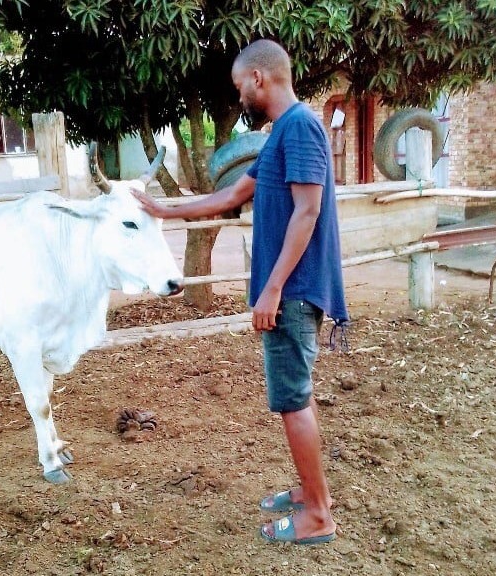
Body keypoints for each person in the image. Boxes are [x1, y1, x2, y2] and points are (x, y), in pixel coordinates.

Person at [132, 38, 348, 545]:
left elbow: (308, 212)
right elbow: (233, 194)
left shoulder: (300, 129)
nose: (238, 98)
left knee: (293, 401)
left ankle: (318, 516)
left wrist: (271, 289)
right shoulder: (278, 135)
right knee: (297, 397)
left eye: (238, 87)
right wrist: (166, 211)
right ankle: (311, 493)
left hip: (292, 292)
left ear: (258, 79)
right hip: (288, 290)